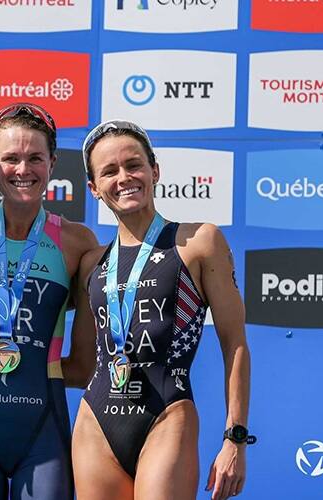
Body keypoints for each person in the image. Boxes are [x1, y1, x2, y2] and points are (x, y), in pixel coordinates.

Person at [70, 120, 253, 500]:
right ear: (94, 188)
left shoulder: (200, 242)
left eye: (133, 164)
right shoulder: (91, 263)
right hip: (96, 424)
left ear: (154, 170)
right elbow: (81, 363)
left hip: (167, 416)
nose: (124, 177)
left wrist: (235, 438)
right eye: (109, 171)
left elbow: (234, 343)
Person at [0, 103, 98, 500]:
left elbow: (84, 364)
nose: (22, 169)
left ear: (53, 163)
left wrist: (38, 362)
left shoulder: (78, 243)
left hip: (43, 430)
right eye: (10, 158)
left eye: (35, 158)